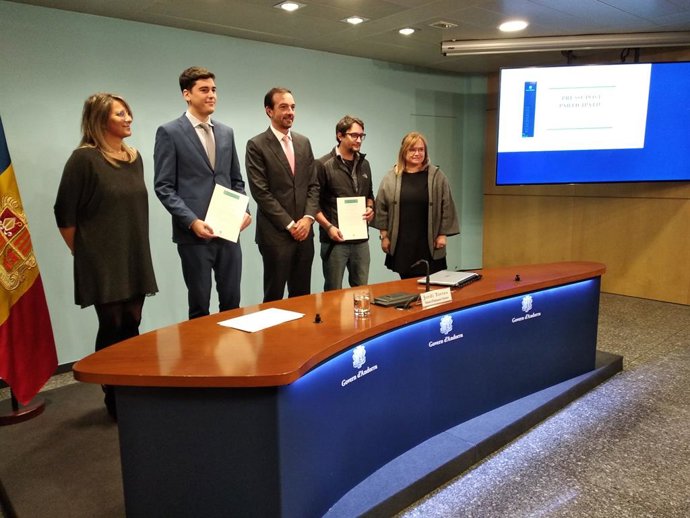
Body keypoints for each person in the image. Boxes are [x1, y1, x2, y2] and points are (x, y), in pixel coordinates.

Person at [54, 93, 158, 419]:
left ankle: (134, 388)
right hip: (101, 258)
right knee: (112, 325)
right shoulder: (83, 159)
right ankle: (113, 394)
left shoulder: (133, 157)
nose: (128, 119)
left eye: (128, 113)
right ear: (100, 121)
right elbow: (64, 213)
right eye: (120, 114)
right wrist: (84, 251)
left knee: (133, 322)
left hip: (134, 253)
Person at [154, 66, 250, 319]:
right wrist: (191, 221)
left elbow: (236, 180)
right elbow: (163, 186)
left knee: (232, 302)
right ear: (187, 94)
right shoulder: (169, 132)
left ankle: (231, 356)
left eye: (214, 90)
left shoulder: (226, 132)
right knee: (199, 306)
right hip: (194, 235)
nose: (211, 95)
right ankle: (200, 359)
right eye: (204, 90)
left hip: (229, 233)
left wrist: (245, 211)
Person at [246, 87, 319, 302]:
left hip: (305, 234)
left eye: (293, 107)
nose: (290, 112)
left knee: (302, 297)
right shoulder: (256, 145)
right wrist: (290, 225)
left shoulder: (303, 143)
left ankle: (302, 337)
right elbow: (261, 192)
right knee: (274, 297)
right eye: (284, 107)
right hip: (276, 235)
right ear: (269, 111)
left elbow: (313, 186)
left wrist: (307, 219)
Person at [374, 131, 459, 279]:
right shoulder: (391, 177)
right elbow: (381, 208)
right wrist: (384, 236)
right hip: (402, 241)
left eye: (421, 149)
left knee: (432, 282)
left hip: (429, 241)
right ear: (403, 151)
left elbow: (447, 206)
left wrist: (442, 234)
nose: (417, 153)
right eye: (412, 149)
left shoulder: (437, 176)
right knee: (407, 282)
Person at [314, 115, 375, 291]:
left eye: (362, 136)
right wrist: (328, 227)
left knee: (361, 291)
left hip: (361, 240)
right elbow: (313, 204)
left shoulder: (365, 165)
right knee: (333, 293)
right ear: (340, 135)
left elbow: (369, 194)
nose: (359, 140)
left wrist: (370, 207)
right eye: (354, 135)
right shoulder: (323, 164)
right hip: (335, 240)